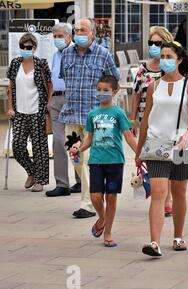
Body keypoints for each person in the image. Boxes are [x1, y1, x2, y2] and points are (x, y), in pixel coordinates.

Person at [135, 42, 188, 257]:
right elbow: (145, 120)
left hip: (182, 145)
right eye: (162, 56)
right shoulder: (153, 86)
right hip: (155, 143)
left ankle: (178, 236)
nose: (164, 60)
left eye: (168, 56)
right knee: (159, 192)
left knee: (179, 192)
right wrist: (138, 150)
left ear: (179, 60)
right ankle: (154, 243)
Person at [59, 18, 120, 219]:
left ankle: (89, 202)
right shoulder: (66, 54)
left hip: (96, 119)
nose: (78, 33)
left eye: (83, 30)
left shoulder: (103, 55)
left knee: (93, 160)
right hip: (71, 115)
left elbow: (114, 81)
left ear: (92, 33)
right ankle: (93, 196)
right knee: (76, 158)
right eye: (76, 30)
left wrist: (107, 108)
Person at [71, 75, 137, 247]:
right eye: (99, 89)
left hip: (115, 161)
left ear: (114, 92)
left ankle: (107, 232)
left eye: (105, 90)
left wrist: (139, 153)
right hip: (96, 161)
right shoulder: (92, 114)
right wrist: (79, 148)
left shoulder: (119, 113)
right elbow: (89, 139)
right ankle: (102, 218)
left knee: (112, 197)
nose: (101, 93)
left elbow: (128, 136)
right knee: (95, 196)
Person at [131, 26, 175, 217]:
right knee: (152, 159)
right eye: (151, 43)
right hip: (147, 123)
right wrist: (133, 120)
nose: (154, 47)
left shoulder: (172, 67)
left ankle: (169, 197)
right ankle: (160, 193)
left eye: (158, 43)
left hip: (170, 123)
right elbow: (135, 95)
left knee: (171, 160)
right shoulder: (143, 69)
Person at [6, 33, 52, 192]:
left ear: (34, 48)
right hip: (19, 111)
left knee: (39, 147)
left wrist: (49, 102)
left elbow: (49, 84)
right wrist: (10, 107)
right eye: (22, 47)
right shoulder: (15, 63)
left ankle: (41, 180)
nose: (25, 50)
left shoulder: (41, 64)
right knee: (17, 146)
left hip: (37, 110)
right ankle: (32, 171)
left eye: (28, 47)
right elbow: (10, 87)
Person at [46, 22, 82, 197]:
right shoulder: (55, 55)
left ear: (70, 36)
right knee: (58, 142)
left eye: (60, 36)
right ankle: (62, 183)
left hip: (72, 98)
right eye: (55, 36)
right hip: (56, 99)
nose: (57, 39)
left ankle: (81, 179)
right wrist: (49, 99)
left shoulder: (77, 52)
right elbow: (53, 79)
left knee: (73, 141)